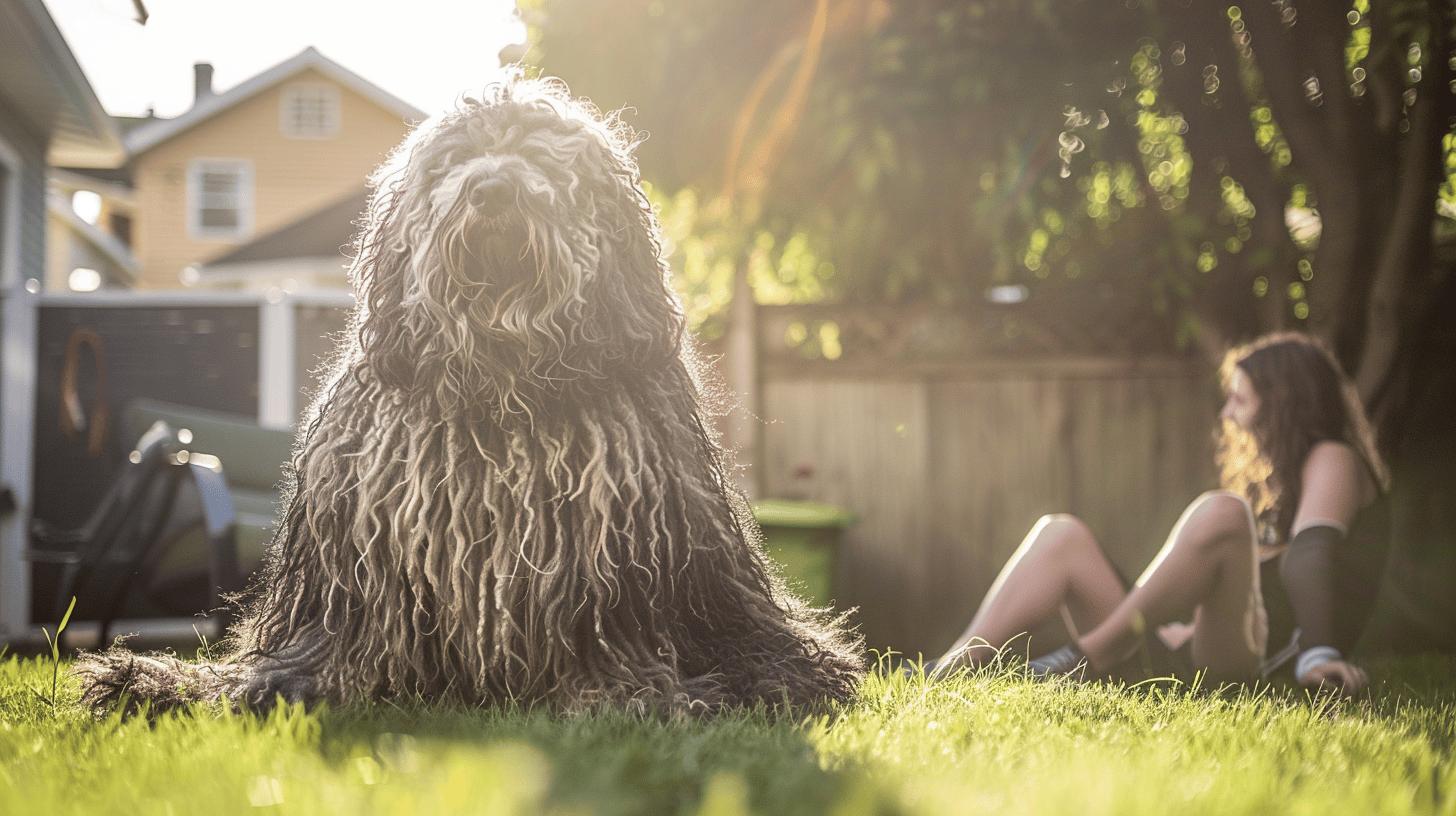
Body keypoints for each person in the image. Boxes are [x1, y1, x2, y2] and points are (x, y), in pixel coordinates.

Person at [926, 332, 1390, 693]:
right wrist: (1179, 627)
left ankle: (1084, 657)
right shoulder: (1284, 481)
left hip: (1255, 664)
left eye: (1241, 400)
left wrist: (1319, 653)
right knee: (1060, 535)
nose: (1228, 415)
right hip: (1191, 649)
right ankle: (951, 667)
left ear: (1284, 402)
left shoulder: (1334, 457)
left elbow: (1311, 555)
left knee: (1223, 512)